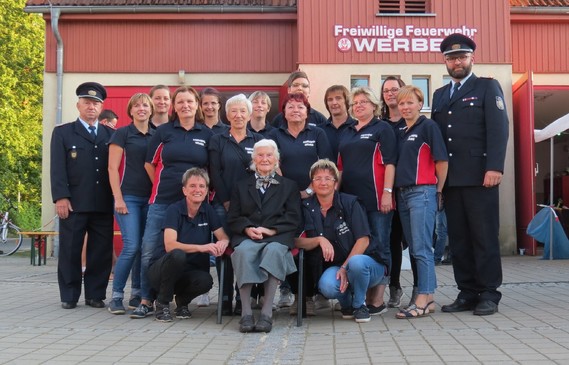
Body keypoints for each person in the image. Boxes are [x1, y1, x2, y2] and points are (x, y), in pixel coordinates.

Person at [432, 33, 509, 316]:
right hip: (451, 180)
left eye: (462, 57)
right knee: (460, 239)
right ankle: (467, 291)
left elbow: (499, 129)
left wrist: (495, 167)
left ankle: (489, 292)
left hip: (480, 176)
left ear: (471, 59)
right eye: (452, 58)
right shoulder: (440, 95)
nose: (457, 62)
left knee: (483, 236)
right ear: (445, 62)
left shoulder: (487, 87)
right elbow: (438, 139)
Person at [132, 86, 214, 319]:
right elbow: (150, 164)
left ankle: (182, 299)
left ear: (197, 105)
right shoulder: (163, 131)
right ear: (173, 106)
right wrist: (164, 182)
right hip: (163, 201)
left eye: (189, 101)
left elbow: (210, 169)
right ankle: (146, 300)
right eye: (180, 102)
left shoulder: (207, 134)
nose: (185, 106)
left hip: (194, 206)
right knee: (150, 249)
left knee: (191, 255)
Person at [295, 159, 387, 323]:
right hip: (335, 268)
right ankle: (347, 305)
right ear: (312, 184)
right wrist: (318, 240)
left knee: (357, 263)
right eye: (318, 178)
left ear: (336, 184)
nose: (323, 182)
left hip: (366, 265)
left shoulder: (350, 203)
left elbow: (363, 240)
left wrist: (345, 267)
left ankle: (360, 305)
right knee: (327, 286)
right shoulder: (305, 206)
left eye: (328, 178)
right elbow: (296, 241)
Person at [267, 92, 334, 314]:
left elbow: (326, 167)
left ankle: (314, 294)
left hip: (314, 199)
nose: (296, 110)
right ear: (283, 112)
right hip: (285, 202)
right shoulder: (275, 135)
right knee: (291, 245)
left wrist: (308, 190)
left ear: (308, 111)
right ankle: (297, 297)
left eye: (300, 107)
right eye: (291, 107)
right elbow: (273, 165)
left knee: (315, 244)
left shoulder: (318, 133)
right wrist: (289, 193)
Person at [50, 82, 114, 309]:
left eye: (96, 103)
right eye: (87, 103)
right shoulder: (63, 133)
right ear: (78, 105)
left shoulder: (111, 134)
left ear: (101, 107)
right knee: (70, 250)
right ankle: (69, 295)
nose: (91, 107)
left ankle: (95, 295)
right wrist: (60, 197)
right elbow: (57, 168)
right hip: (74, 202)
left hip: (103, 203)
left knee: (101, 251)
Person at [227, 139, 301, 333]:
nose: (265, 159)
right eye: (260, 155)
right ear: (253, 159)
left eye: (269, 155)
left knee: (274, 252)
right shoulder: (240, 185)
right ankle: (246, 313)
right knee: (242, 252)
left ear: (276, 159)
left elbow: (294, 217)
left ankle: (267, 313)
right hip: (248, 236)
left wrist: (271, 230)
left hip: (277, 236)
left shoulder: (289, 186)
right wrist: (247, 229)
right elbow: (233, 217)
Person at [337, 86, 397, 315]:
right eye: (355, 103)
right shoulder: (347, 131)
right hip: (351, 202)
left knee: (380, 246)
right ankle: (357, 295)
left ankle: (378, 299)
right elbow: (340, 168)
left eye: (364, 101)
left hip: (376, 199)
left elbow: (390, 163)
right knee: (357, 247)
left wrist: (387, 192)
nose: (359, 106)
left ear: (374, 105)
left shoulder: (382, 129)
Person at [393, 86, 448, 319]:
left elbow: (442, 161)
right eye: (401, 103)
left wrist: (438, 190)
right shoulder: (401, 131)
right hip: (403, 194)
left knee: (423, 247)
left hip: (422, 193)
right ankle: (429, 298)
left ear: (419, 103)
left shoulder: (428, 127)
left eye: (410, 103)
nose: (405, 107)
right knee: (415, 247)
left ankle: (424, 297)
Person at [148, 168, 229, 322]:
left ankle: (182, 303)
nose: (197, 190)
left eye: (201, 186)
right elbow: (170, 245)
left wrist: (222, 243)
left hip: (189, 272)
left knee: (206, 281)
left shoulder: (208, 210)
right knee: (178, 254)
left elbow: (222, 236)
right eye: (192, 186)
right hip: (162, 273)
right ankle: (162, 303)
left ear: (206, 191)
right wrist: (203, 247)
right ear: (184, 190)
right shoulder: (174, 210)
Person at [208, 94, 263, 315]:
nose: (238, 115)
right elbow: (215, 172)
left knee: (245, 251)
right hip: (223, 204)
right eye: (234, 111)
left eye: (243, 111)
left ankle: (244, 298)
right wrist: (227, 201)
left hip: (251, 207)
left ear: (250, 114)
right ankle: (224, 297)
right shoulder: (218, 140)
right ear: (227, 114)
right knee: (224, 250)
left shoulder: (258, 141)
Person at [107, 93, 155, 314]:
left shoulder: (157, 134)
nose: (142, 108)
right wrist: (118, 198)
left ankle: (137, 293)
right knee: (131, 246)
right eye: (137, 105)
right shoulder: (122, 134)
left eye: (145, 105)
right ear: (131, 110)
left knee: (145, 249)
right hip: (129, 198)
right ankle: (116, 296)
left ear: (151, 109)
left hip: (151, 199)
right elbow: (112, 168)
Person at [379, 76, 414, 309]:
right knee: (390, 240)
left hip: (409, 190)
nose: (391, 94)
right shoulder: (379, 124)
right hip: (384, 191)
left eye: (395, 89)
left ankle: (422, 291)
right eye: (386, 91)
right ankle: (394, 285)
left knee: (410, 240)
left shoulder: (413, 122)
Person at [321, 85, 356, 159]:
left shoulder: (357, 127)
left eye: (338, 98)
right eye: (330, 99)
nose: (334, 102)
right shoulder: (320, 130)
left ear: (346, 101)